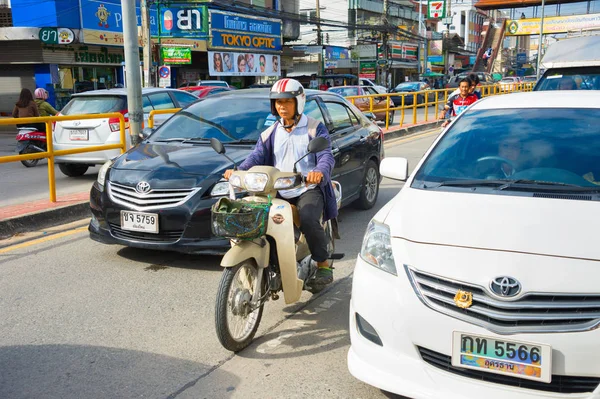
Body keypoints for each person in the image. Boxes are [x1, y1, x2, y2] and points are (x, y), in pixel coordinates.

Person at [223, 78, 337, 288]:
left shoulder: (314, 128)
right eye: (278, 102)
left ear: (298, 102)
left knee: (309, 217)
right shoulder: (270, 132)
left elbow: (326, 156)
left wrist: (319, 171)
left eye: (287, 102)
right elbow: (255, 157)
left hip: (306, 188)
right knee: (254, 215)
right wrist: (238, 171)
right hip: (276, 188)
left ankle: (323, 264)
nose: (282, 106)